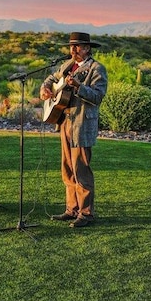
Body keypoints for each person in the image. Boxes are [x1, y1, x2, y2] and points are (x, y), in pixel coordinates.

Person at [40, 32, 108, 227]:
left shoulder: (97, 69)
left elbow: (97, 96)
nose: (73, 50)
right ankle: (72, 209)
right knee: (67, 168)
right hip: (64, 122)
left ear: (87, 48)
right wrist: (45, 89)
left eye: (77, 46)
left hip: (82, 124)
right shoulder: (67, 65)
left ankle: (86, 214)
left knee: (81, 169)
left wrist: (78, 87)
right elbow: (51, 79)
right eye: (71, 46)